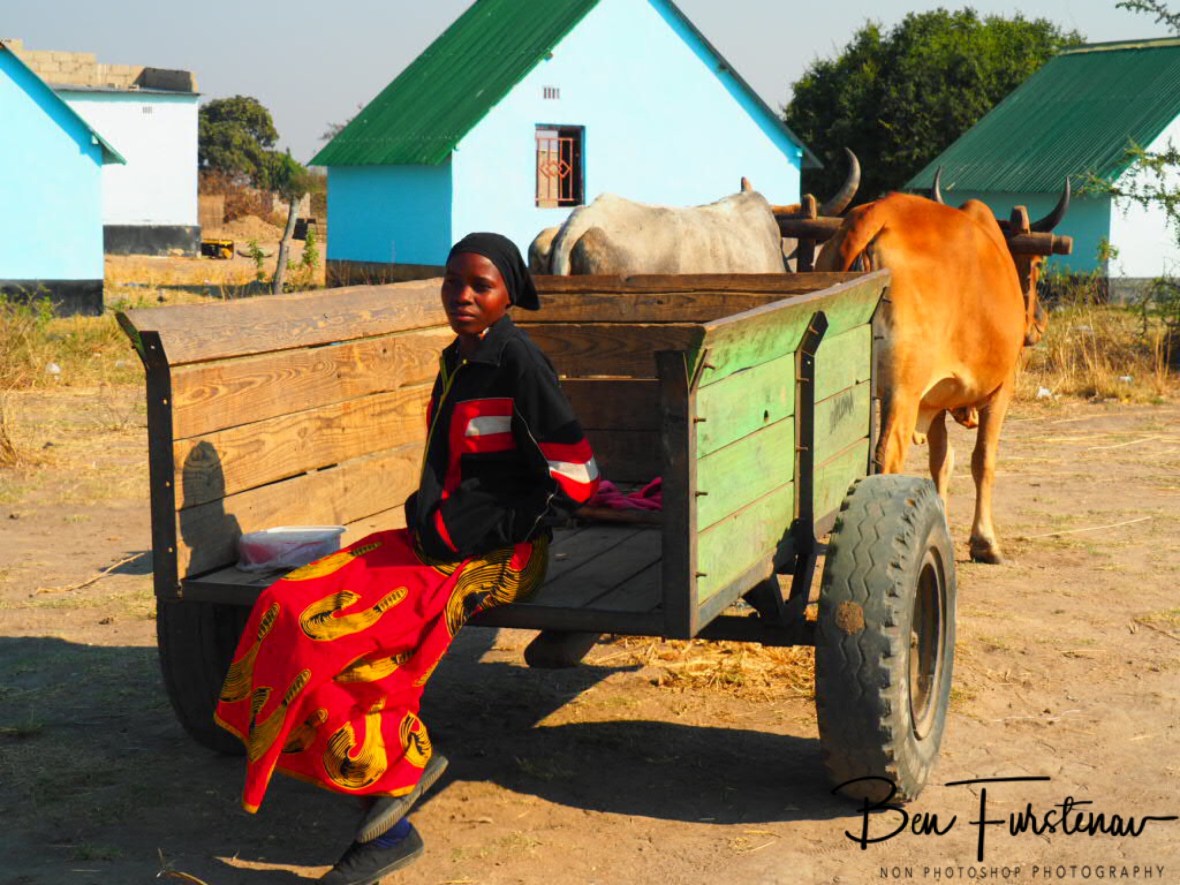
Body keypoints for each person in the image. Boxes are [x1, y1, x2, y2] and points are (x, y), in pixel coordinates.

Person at [213, 233, 599, 884]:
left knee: (336, 634)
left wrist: (489, 528)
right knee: (284, 601)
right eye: (453, 282)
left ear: (509, 294)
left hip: (496, 557)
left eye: (481, 285)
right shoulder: (455, 359)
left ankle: (393, 810)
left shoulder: (518, 364)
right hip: (436, 541)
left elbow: (577, 478)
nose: (463, 296)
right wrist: (434, 517)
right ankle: (392, 775)